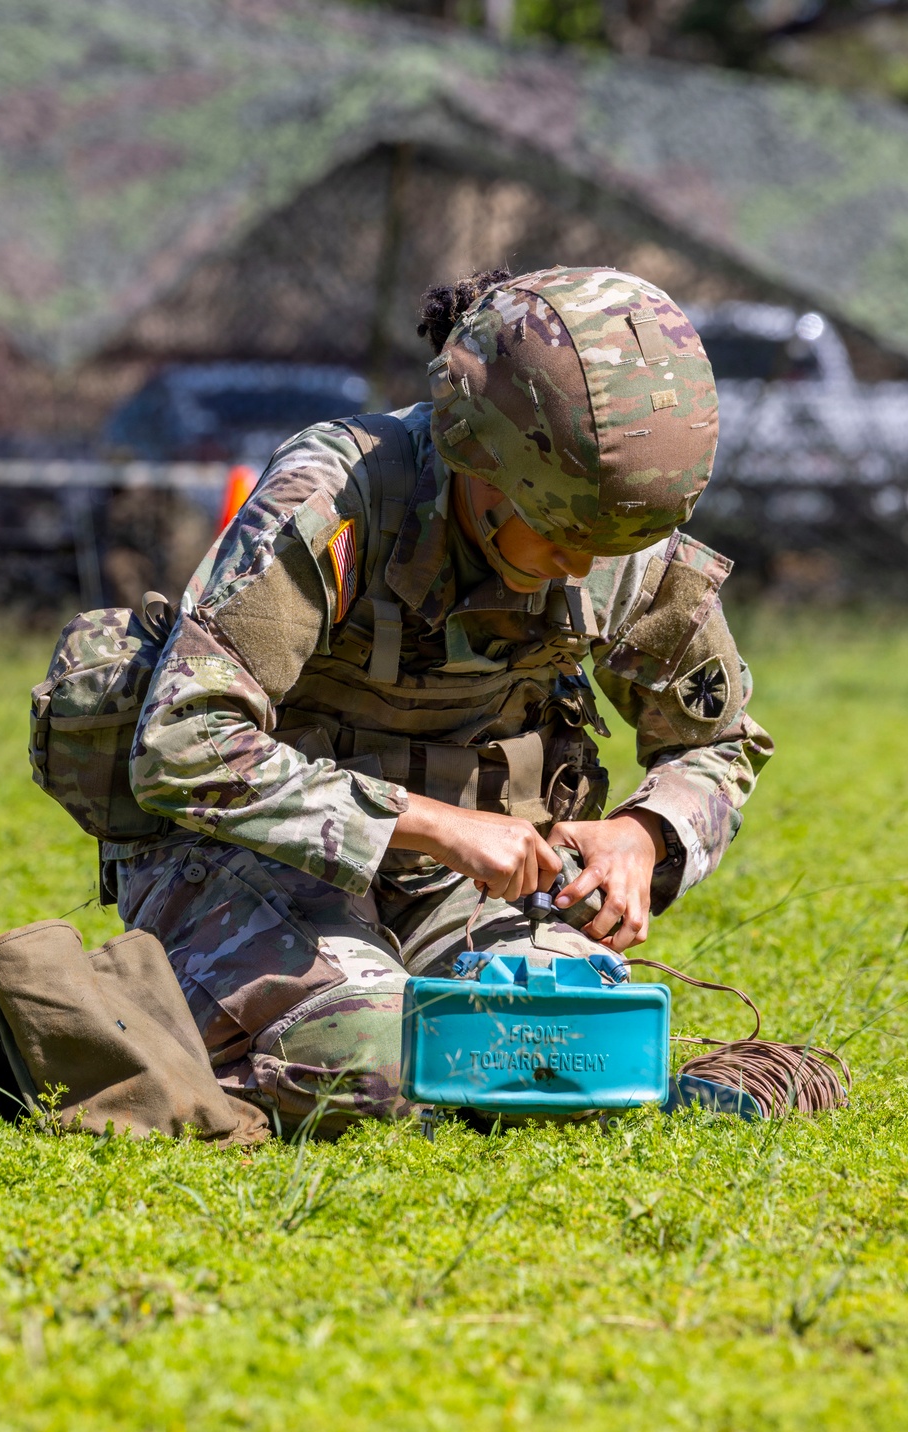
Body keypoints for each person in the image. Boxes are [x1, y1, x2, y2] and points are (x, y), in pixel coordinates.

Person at [107, 265, 773, 1135]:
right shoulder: (342, 499)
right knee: (377, 1056)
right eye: (563, 536)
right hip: (247, 867)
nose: (584, 567)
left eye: (611, 543)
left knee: (574, 1049)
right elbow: (183, 740)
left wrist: (641, 837)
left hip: (460, 888)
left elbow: (719, 741)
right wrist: (434, 822)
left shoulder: (613, 535)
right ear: (479, 456)